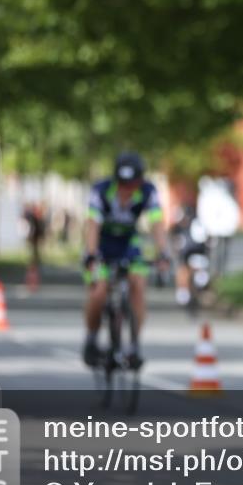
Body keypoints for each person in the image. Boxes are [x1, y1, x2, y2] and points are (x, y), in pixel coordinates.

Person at [81, 152, 169, 369]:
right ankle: (91, 339)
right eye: (122, 184)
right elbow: (92, 225)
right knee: (99, 291)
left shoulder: (148, 191)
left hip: (128, 245)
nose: (126, 189)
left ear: (140, 181)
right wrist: (91, 255)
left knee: (138, 284)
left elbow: (157, 223)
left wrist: (163, 253)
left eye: (131, 185)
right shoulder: (101, 191)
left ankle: (134, 345)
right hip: (101, 245)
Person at [169, 205, 209, 307]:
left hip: (197, 255)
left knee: (189, 271)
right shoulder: (178, 229)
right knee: (182, 270)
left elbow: (204, 244)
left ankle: (194, 291)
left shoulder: (197, 226)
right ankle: (184, 291)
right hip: (187, 256)